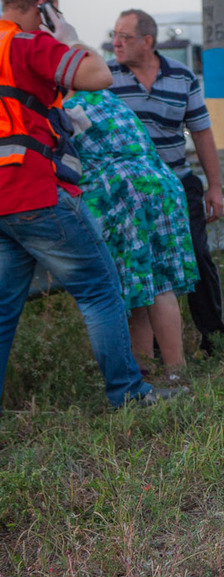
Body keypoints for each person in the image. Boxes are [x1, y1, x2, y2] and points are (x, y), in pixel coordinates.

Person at [0, 0, 175, 410]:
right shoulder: (28, 44)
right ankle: (128, 393)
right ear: (43, 8)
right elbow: (98, 75)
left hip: (4, 200)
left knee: (4, 310)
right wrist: (68, 37)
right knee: (100, 291)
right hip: (36, 191)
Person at [108, 8, 224, 357]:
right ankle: (150, 350)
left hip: (177, 184)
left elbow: (201, 132)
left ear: (147, 41)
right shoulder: (106, 78)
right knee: (142, 265)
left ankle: (215, 338)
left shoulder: (181, 76)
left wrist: (215, 186)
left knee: (197, 256)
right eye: (114, 35)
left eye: (124, 36)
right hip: (130, 193)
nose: (116, 42)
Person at [63, 88, 199, 378]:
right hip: (161, 184)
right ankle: (171, 372)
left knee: (135, 282)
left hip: (121, 193)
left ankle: (149, 373)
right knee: (157, 283)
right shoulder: (108, 98)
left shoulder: (66, 109)